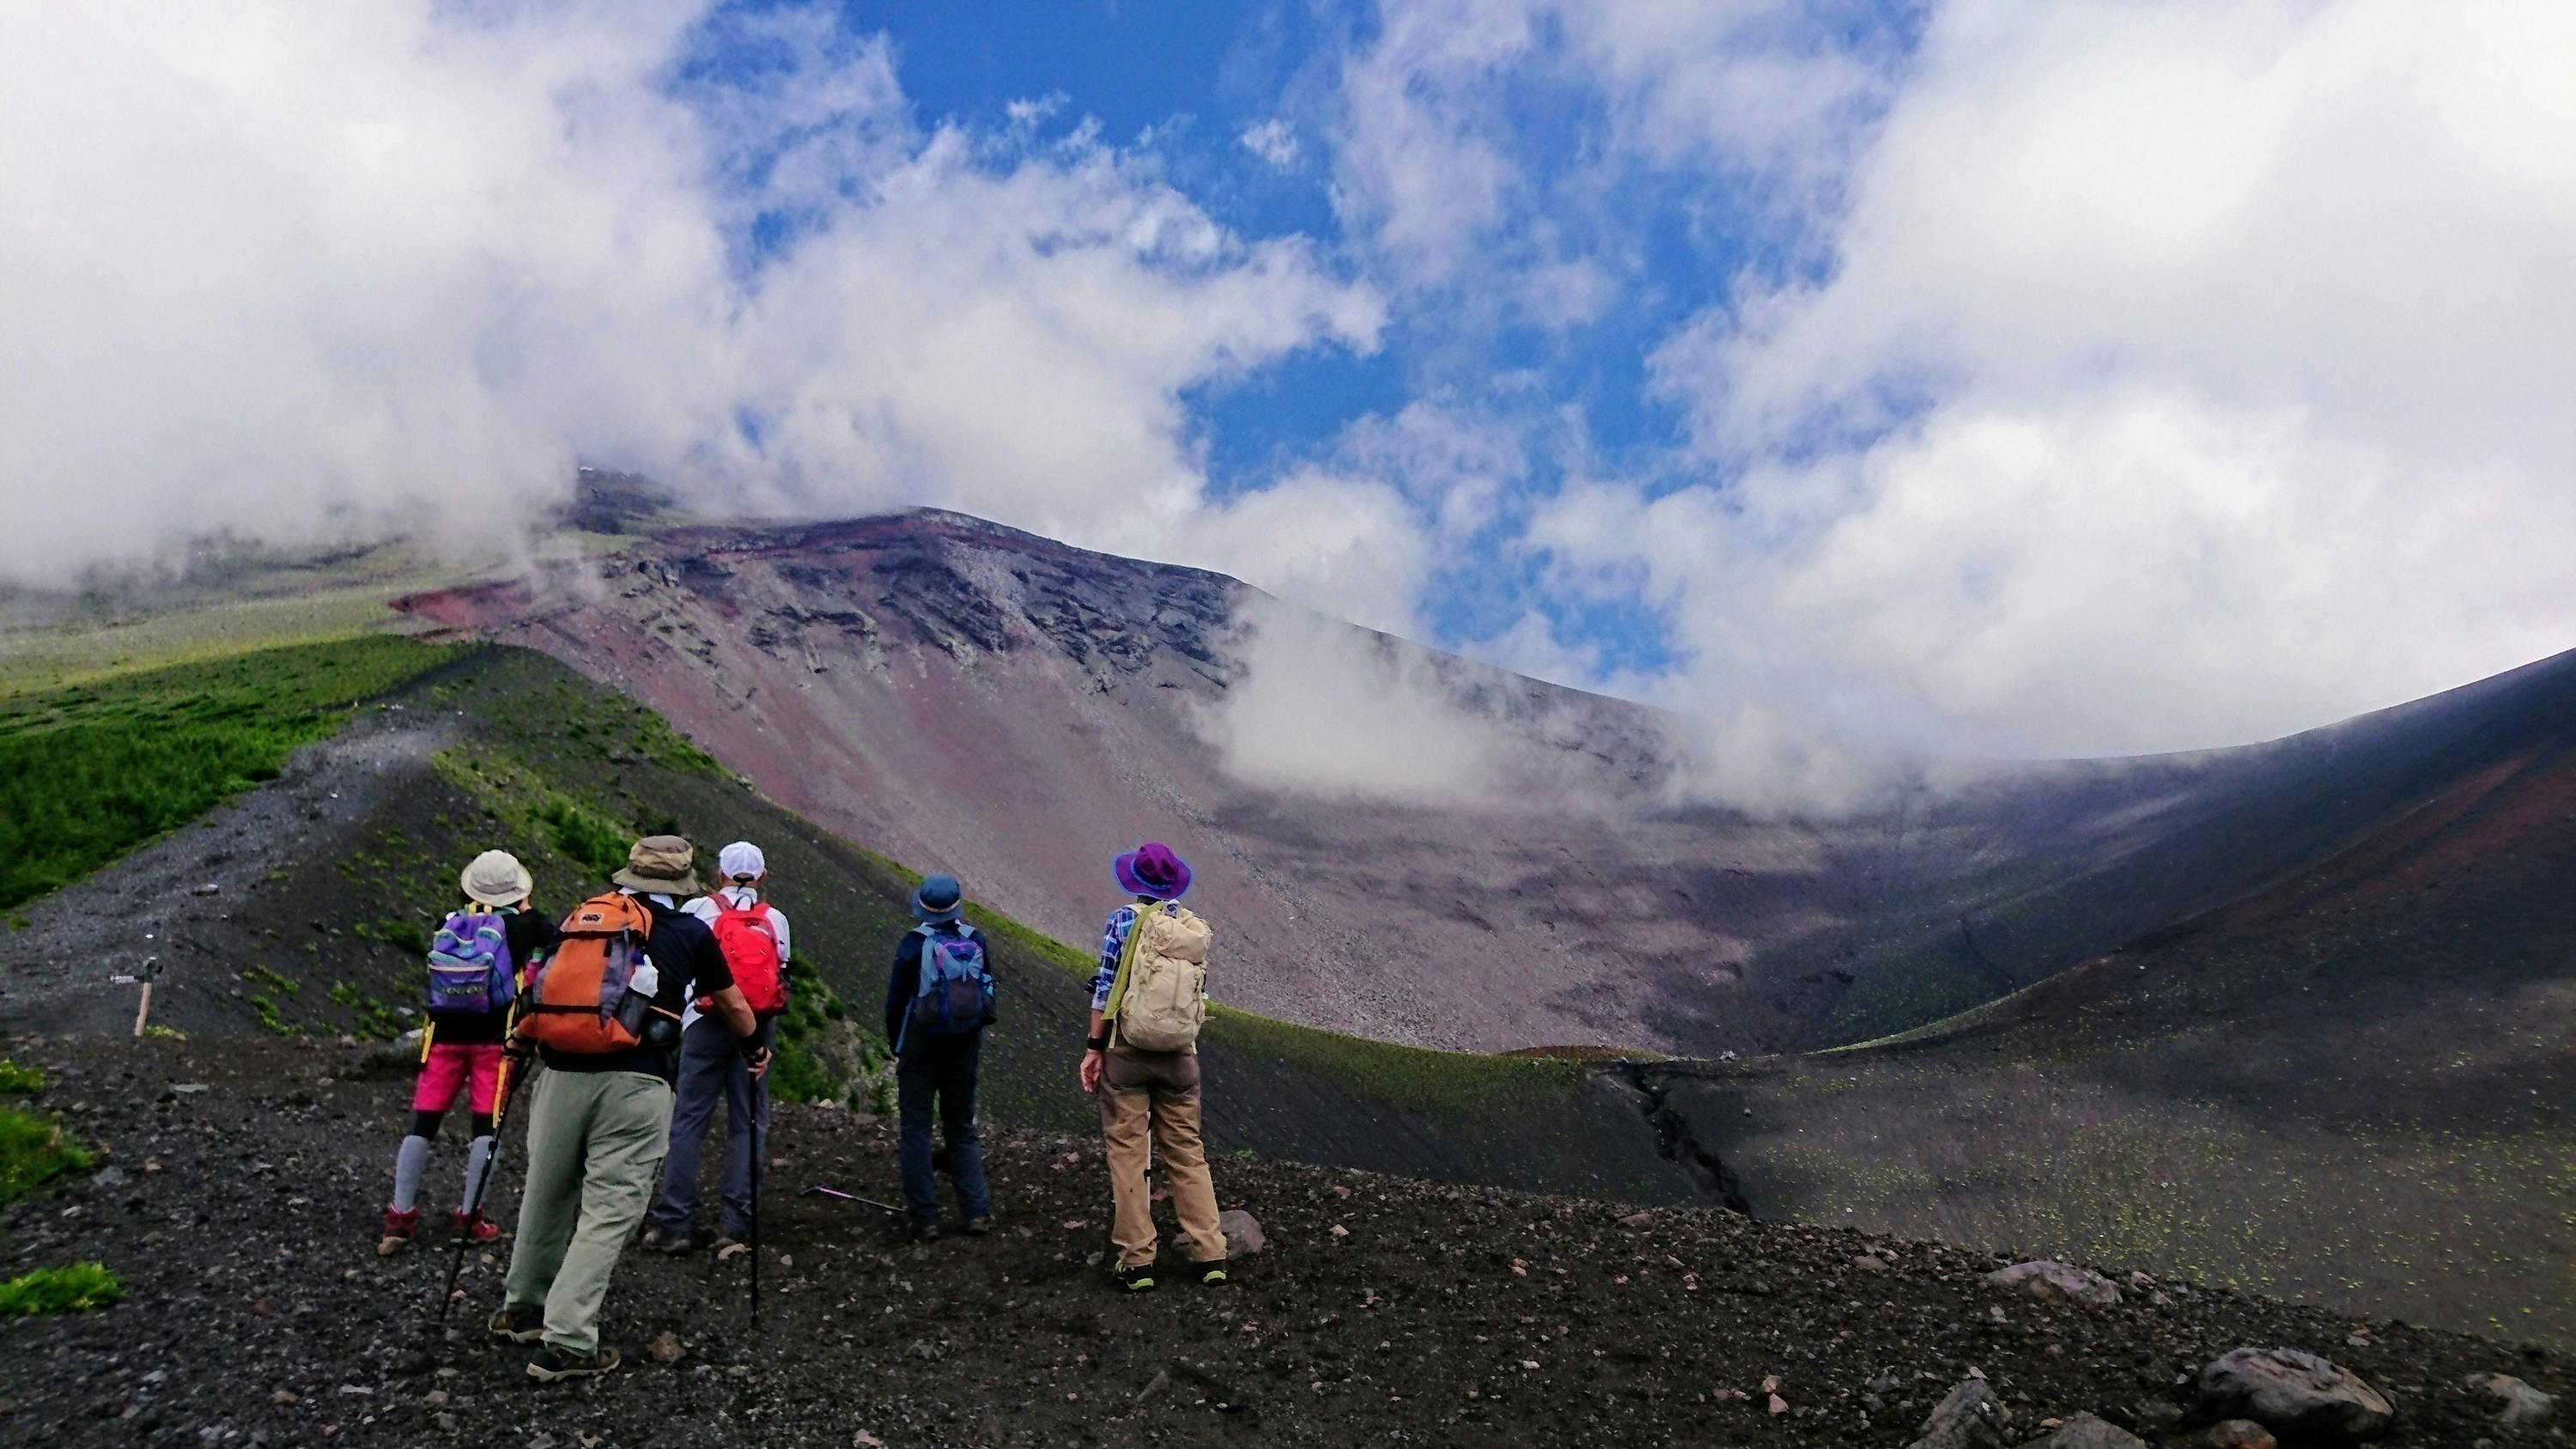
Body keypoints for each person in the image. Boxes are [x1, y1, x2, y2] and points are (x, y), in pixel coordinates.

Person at [489, 836, 771, 1383]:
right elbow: (733, 1003)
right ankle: (568, 1339)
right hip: (635, 1083)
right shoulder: (690, 932)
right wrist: (754, 1048)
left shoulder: (585, 920)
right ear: (682, 880)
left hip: (559, 1075)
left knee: (547, 1191)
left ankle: (523, 1309)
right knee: (610, 1206)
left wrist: (520, 1049)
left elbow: (538, 986)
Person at [377, 850, 557, 1254]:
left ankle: (400, 1215)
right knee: (484, 1127)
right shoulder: (529, 925)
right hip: (495, 1040)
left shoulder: (449, 921)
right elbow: (552, 949)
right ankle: (468, 1217)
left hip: (442, 1036)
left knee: (423, 1122)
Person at [1078, 842, 1227, 1291]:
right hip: (1181, 1058)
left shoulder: (1123, 921)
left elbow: (1106, 988)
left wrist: (1093, 1048)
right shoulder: (1190, 929)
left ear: (1134, 880)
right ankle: (1211, 1254)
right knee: (1187, 1153)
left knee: (1128, 1153)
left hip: (1126, 1053)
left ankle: (1138, 1260)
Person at [643, 840, 791, 1254]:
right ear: (761, 876)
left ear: (719, 874)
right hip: (757, 1028)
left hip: (705, 1022)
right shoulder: (775, 920)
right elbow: (781, 976)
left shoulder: (699, 912)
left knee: (689, 1119)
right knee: (748, 1122)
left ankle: (674, 1222)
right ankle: (736, 1223)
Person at [882, 874, 994, 1241]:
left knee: (916, 1128)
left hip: (920, 1043)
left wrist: (896, 1045)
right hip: (964, 1044)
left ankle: (925, 1218)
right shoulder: (975, 940)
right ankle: (976, 1212)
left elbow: (896, 1001)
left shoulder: (913, 944)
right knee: (961, 1126)